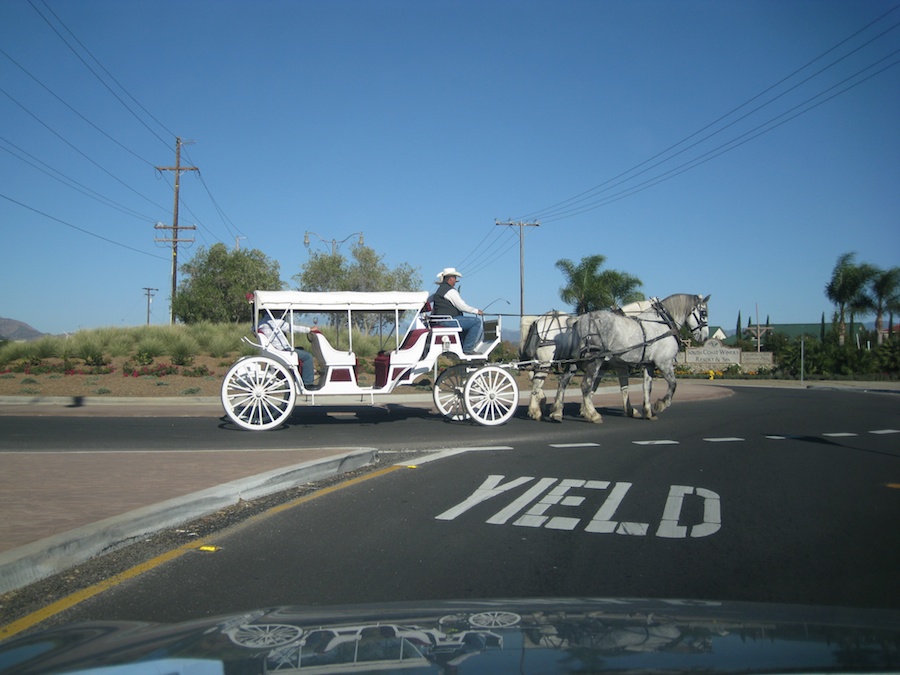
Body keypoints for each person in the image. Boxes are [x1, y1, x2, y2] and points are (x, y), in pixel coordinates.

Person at [429, 267, 484, 354]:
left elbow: (428, 301)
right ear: (451, 279)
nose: (455, 281)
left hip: (440, 321)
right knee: (476, 321)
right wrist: (477, 311)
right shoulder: (450, 291)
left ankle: (463, 346)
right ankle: (467, 349)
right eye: (455, 278)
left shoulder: (438, 292)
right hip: (448, 321)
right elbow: (462, 306)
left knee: (465, 322)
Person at [256, 310, 316, 387]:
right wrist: (309, 329)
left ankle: (301, 375)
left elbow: (253, 329)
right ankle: (308, 382)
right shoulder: (276, 322)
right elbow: (292, 328)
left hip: (274, 349)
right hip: (281, 350)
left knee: (301, 349)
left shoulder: (261, 323)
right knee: (308, 357)